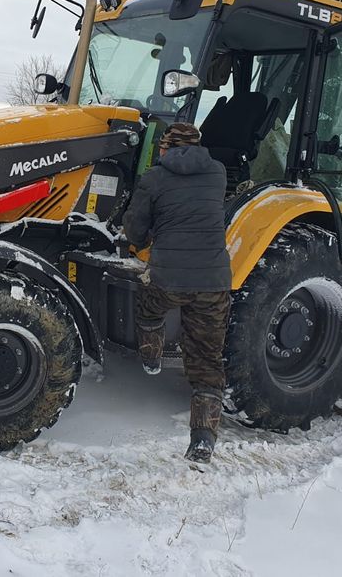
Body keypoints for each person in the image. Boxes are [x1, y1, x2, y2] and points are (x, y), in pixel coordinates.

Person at [122, 122, 232, 464]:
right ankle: (202, 440)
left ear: (165, 148)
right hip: (213, 282)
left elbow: (135, 227)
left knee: (148, 307)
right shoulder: (218, 173)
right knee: (207, 362)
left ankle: (151, 358)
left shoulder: (155, 177)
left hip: (168, 278)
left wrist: (136, 241)